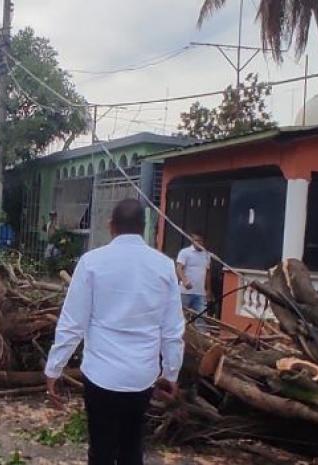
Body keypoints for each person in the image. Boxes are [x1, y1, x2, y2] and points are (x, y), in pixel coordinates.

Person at [44, 198, 184, 465]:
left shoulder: (92, 262)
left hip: (101, 374)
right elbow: (172, 329)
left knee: (101, 448)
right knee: (132, 446)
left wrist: (54, 368)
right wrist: (171, 373)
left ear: (111, 226)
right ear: (144, 227)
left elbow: (73, 322)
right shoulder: (164, 266)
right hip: (142, 376)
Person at [176, 232, 211, 329]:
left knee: (201, 318)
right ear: (192, 241)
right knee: (181, 317)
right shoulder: (185, 252)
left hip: (200, 293)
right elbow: (179, 268)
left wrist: (208, 290)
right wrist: (185, 280)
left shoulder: (206, 255)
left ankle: (200, 341)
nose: (199, 242)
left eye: (201, 240)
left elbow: (208, 273)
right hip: (185, 292)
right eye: (196, 240)